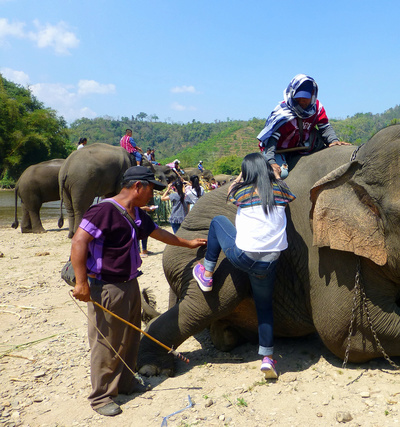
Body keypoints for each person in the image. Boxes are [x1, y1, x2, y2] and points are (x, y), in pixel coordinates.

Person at [70, 166, 206, 417]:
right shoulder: (103, 210)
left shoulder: (136, 213)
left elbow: (158, 233)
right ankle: (101, 397)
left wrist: (187, 242)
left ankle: (124, 383)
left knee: (130, 339)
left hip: (130, 284)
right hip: (107, 287)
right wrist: (81, 283)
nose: (153, 195)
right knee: (107, 342)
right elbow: (79, 241)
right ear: (137, 186)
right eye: (151, 189)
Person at [192, 153, 295, 379]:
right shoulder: (280, 191)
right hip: (269, 263)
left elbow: (228, 192)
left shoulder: (242, 191)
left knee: (218, 221)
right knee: (264, 307)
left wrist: (240, 176)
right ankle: (267, 358)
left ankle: (207, 273)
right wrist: (276, 175)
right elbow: (287, 192)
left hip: (243, 257)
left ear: (247, 172)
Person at [256, 74, 350, 179]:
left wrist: (333, 140)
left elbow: (324, 127)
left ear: (313, 94)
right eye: (298, 97)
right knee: (281, 173)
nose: (301, 101)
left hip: (303, 147)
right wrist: (271, 162)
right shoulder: (282, 112)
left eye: (305, 97)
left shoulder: (317, 108)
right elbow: (272, 140)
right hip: (279, 150)